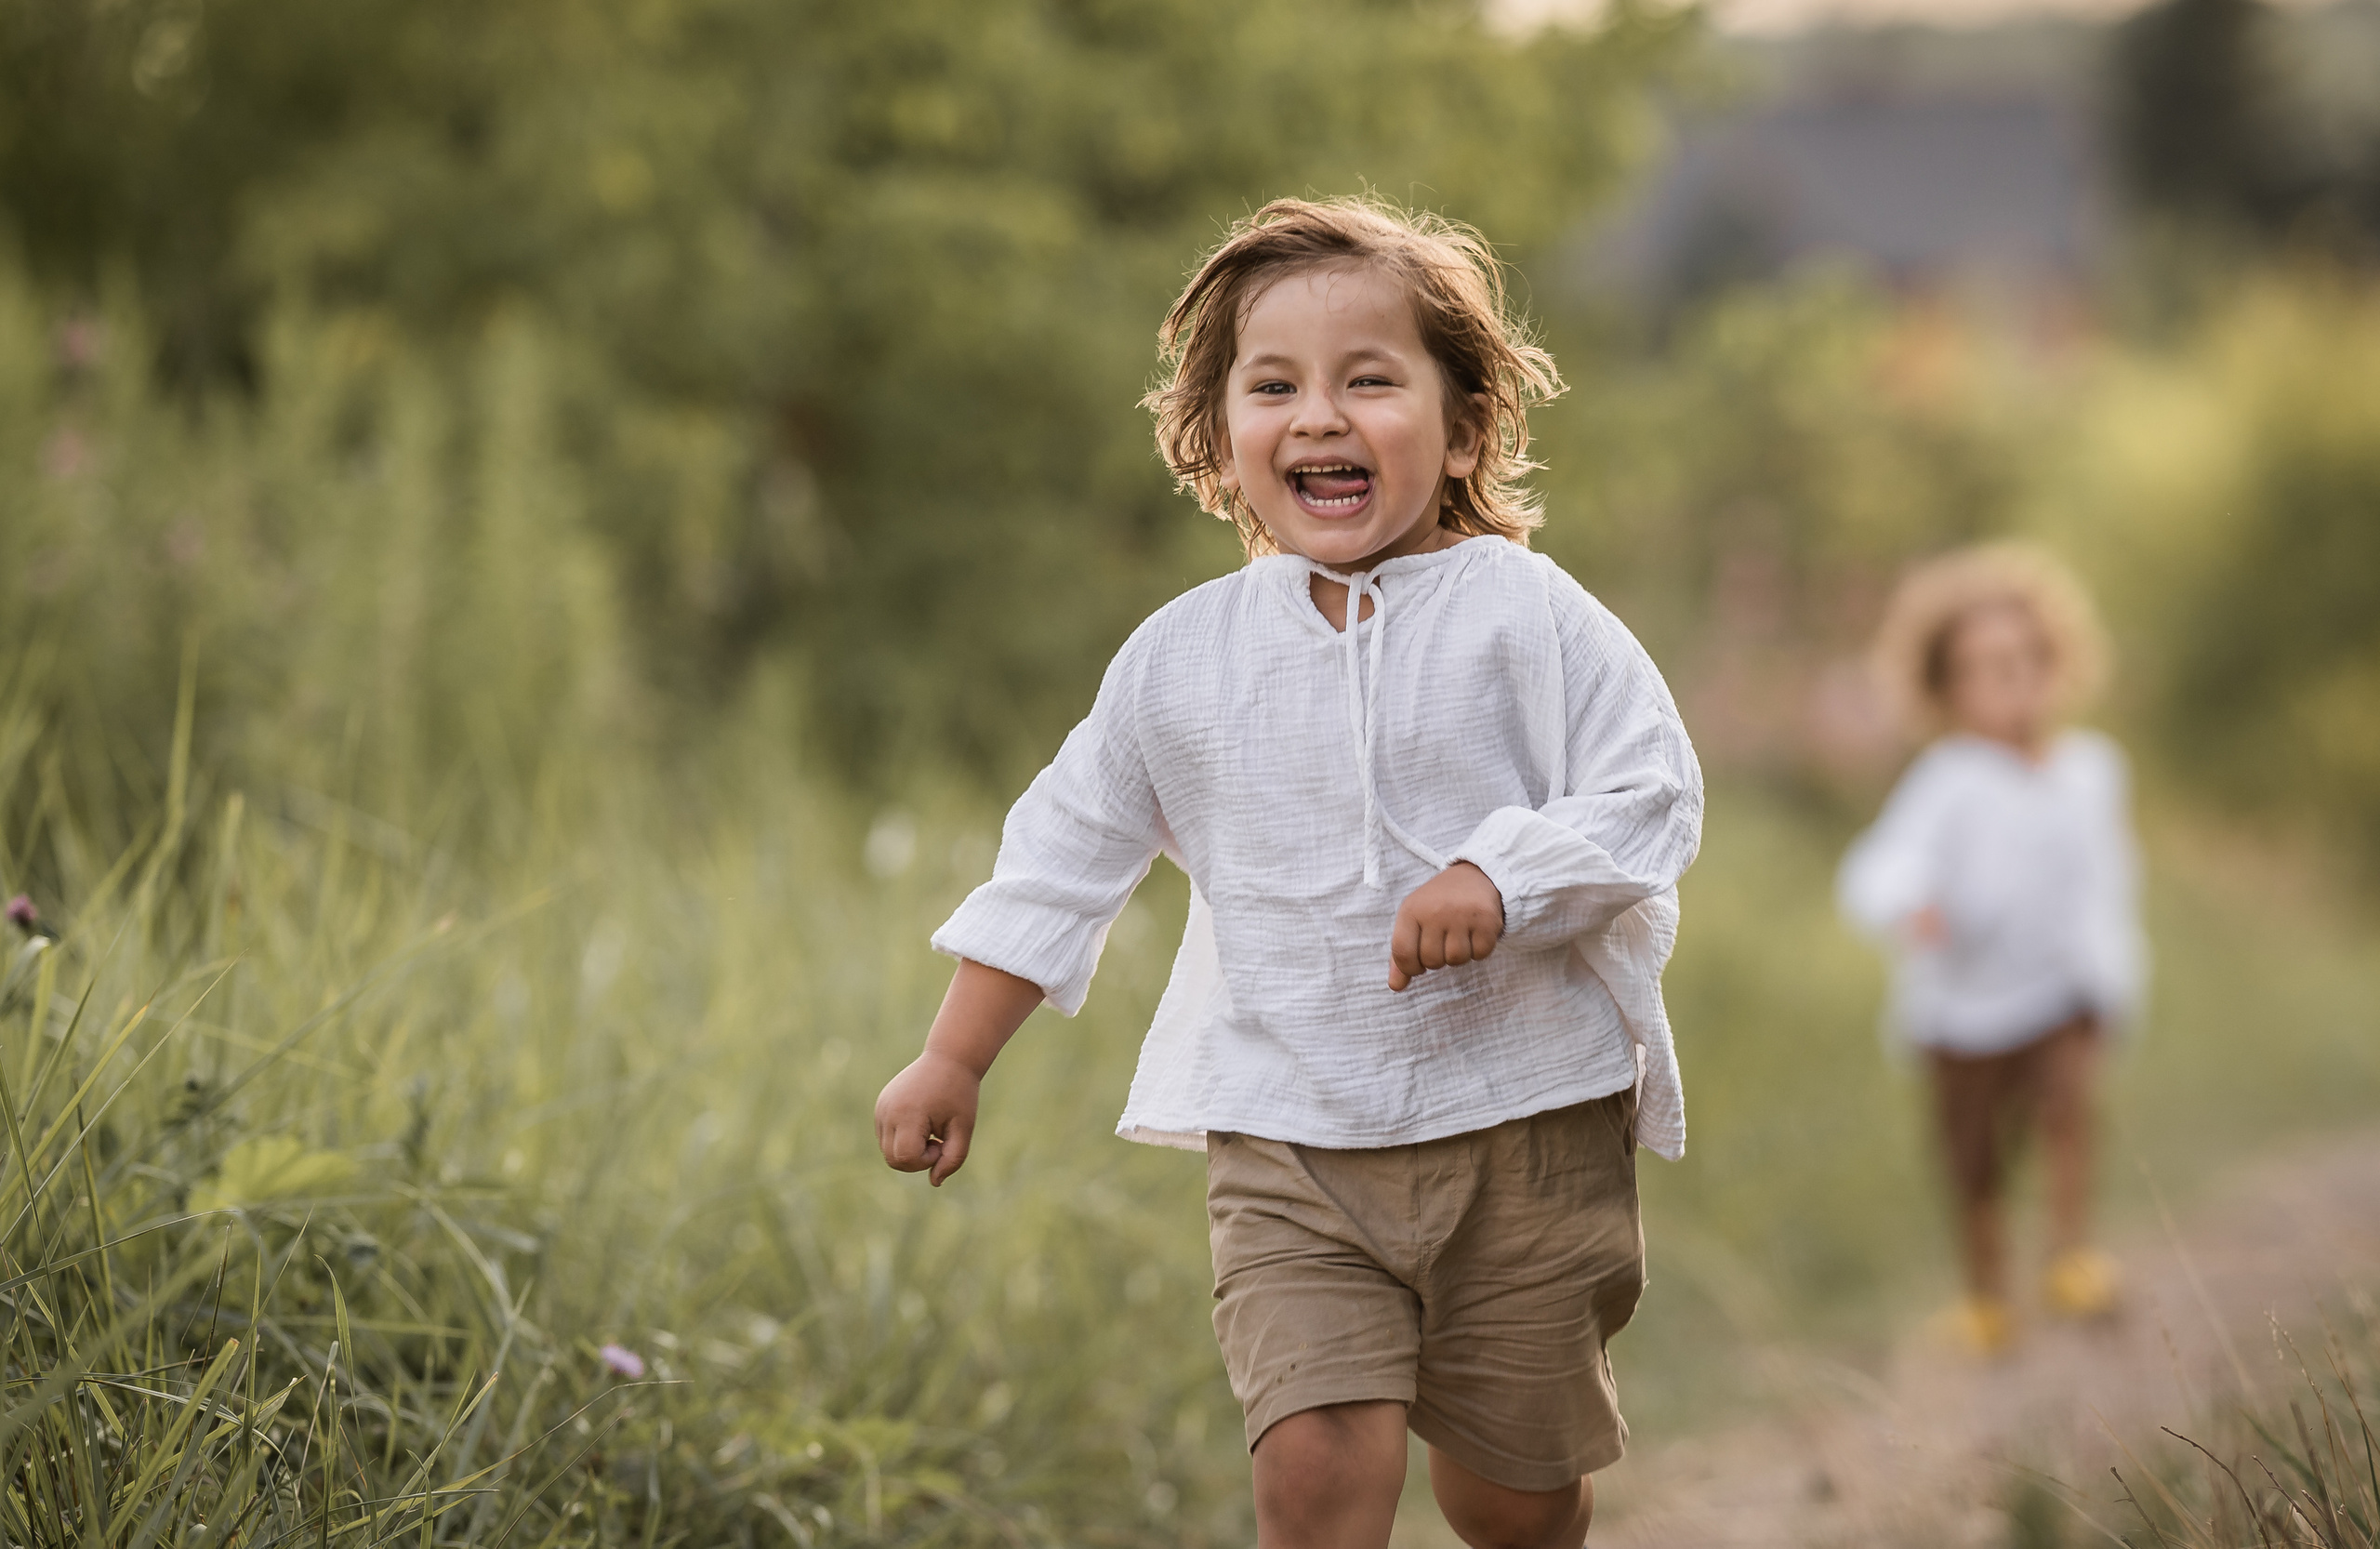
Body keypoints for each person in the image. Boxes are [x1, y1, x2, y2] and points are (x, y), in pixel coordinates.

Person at [873, 197, 1702, 1549]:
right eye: (1275, 387)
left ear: (1463, 421)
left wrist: (1500, 874)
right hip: (1290, 1140)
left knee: (1511, 1495)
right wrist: (953, 1055)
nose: (1320, 416)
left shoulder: (1530, 616)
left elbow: (1651, 791)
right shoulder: (1183, 658)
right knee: (1311, 1469)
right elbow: (1065, 853)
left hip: (1525, 1124)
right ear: (1218, 435)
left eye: (1370, 380)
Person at [1837, 544, 2145, 1357]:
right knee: (1973, 1162)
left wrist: (2112, 982)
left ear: (2054, 663)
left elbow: (2107, 885)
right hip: (1965, 1010)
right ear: (1944, 690)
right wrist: (1912, 906)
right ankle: (1986, 1300)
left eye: (2021, 659)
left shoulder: (2091, 772)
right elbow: (1879, 866)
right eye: (1981, 668)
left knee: (2070, 1106)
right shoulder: (1948, 780)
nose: (2007, 681)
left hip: (2060, 991)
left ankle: (2071, 1255)